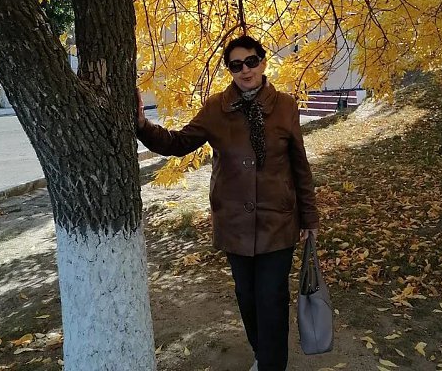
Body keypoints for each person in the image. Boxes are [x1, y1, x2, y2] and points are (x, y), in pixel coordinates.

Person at [136, 35, 319, 371]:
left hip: (277, 222)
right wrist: (143, 126)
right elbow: (178, 143)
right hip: (234, 224)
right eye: (236, 65)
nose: (245, 70)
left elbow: (299, 166)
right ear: (230, 71)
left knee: (272, 298)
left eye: (251, 61)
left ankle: (272, 365)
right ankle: (262, 353)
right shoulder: (216, 109)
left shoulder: (285, 106)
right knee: (247, 297)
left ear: (263, 62)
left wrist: (310, 219)